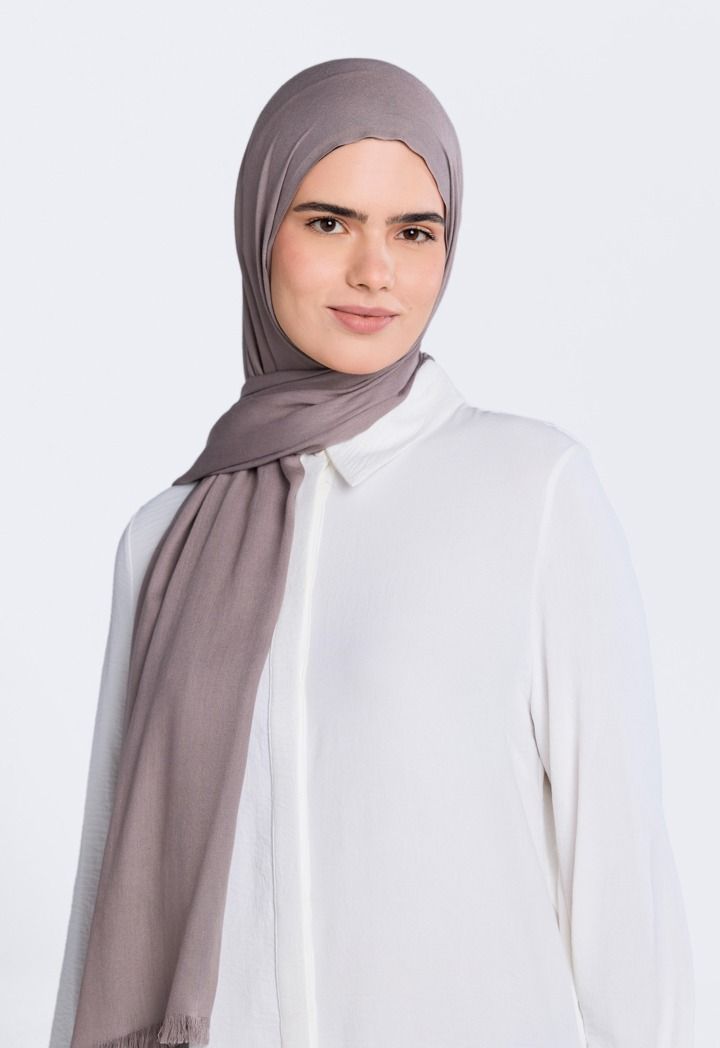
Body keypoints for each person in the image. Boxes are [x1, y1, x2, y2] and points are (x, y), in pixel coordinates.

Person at [48, 57, 694, 1048]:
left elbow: (623, 892)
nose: (374, 271)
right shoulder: (164, 538)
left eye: (414, 232)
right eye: (328, 222)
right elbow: (107, 894)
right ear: (260, 228)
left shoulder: (532, 491)